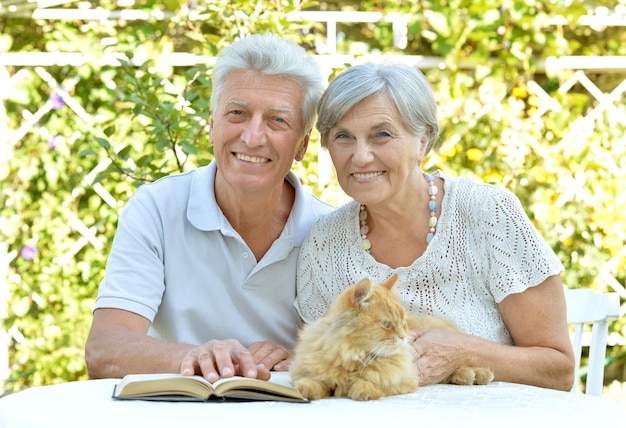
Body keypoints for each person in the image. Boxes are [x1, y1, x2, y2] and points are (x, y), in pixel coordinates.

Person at [295, 62, 575, 391]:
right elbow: (320, 371)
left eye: (381, 134)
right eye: (343, 136)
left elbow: (560, 369)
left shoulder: (488, 214)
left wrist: (464, 351)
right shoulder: (325, 244)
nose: (360, 156)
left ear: (423, 140)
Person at [85, 33, 334, 383]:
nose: (252, 136)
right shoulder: (156, 209)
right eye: (237, 113)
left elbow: (354, 356)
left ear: (302, 145)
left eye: (277, 120)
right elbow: (104, 350)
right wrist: (198, 357)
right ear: (212, 127)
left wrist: (302, 360)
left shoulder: (329, 230)